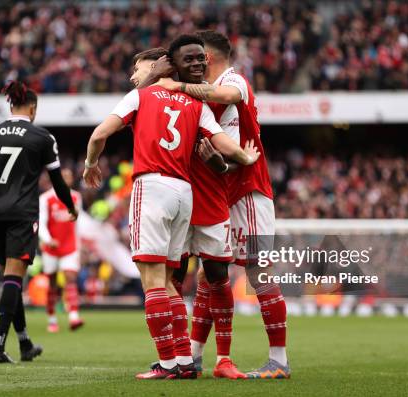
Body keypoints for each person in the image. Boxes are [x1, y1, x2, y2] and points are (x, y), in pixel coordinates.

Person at [83, 35, 260, 379]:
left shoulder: (141, 95)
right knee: (168, 281)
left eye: (137, 69)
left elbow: (99, 134)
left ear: (155, 67)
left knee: (154, 282)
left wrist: (91, 164)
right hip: (184, 191)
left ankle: (167, 364)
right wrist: (245, 156)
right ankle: (183, 361)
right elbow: (223, 144)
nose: (134, 76)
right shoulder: (196, 104)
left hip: (152, 186)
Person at [154, 30, 290, 379]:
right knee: (207, 274)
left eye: (199, 58)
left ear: (208, 58)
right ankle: (196, 356)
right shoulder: (204, 98)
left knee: (258, 272)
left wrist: (178, 86)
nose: (196, 64)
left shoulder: (234, 81)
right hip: (221, 192)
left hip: (249, 191)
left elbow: (226, 95)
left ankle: (279, 360)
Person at [0, 81, 78, 364]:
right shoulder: (42, 137)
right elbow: (57, 181)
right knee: (13, 277)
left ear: (9, 106)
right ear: (32, 109)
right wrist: (70, 206)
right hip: (23, 214)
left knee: (12, 277)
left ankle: (24, 343)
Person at [39, 168, 84, 332]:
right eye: (62, 177)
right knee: (52, 283)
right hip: (51, 247)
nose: (66, 179)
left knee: (70, 277)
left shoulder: (76, 197)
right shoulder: (46, 199)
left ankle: (73, 316)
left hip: (69, 246)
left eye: (68, 176)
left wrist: (78, 248)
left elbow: (77, 224)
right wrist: (48, 240)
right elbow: (42, 222)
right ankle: (51, 318)